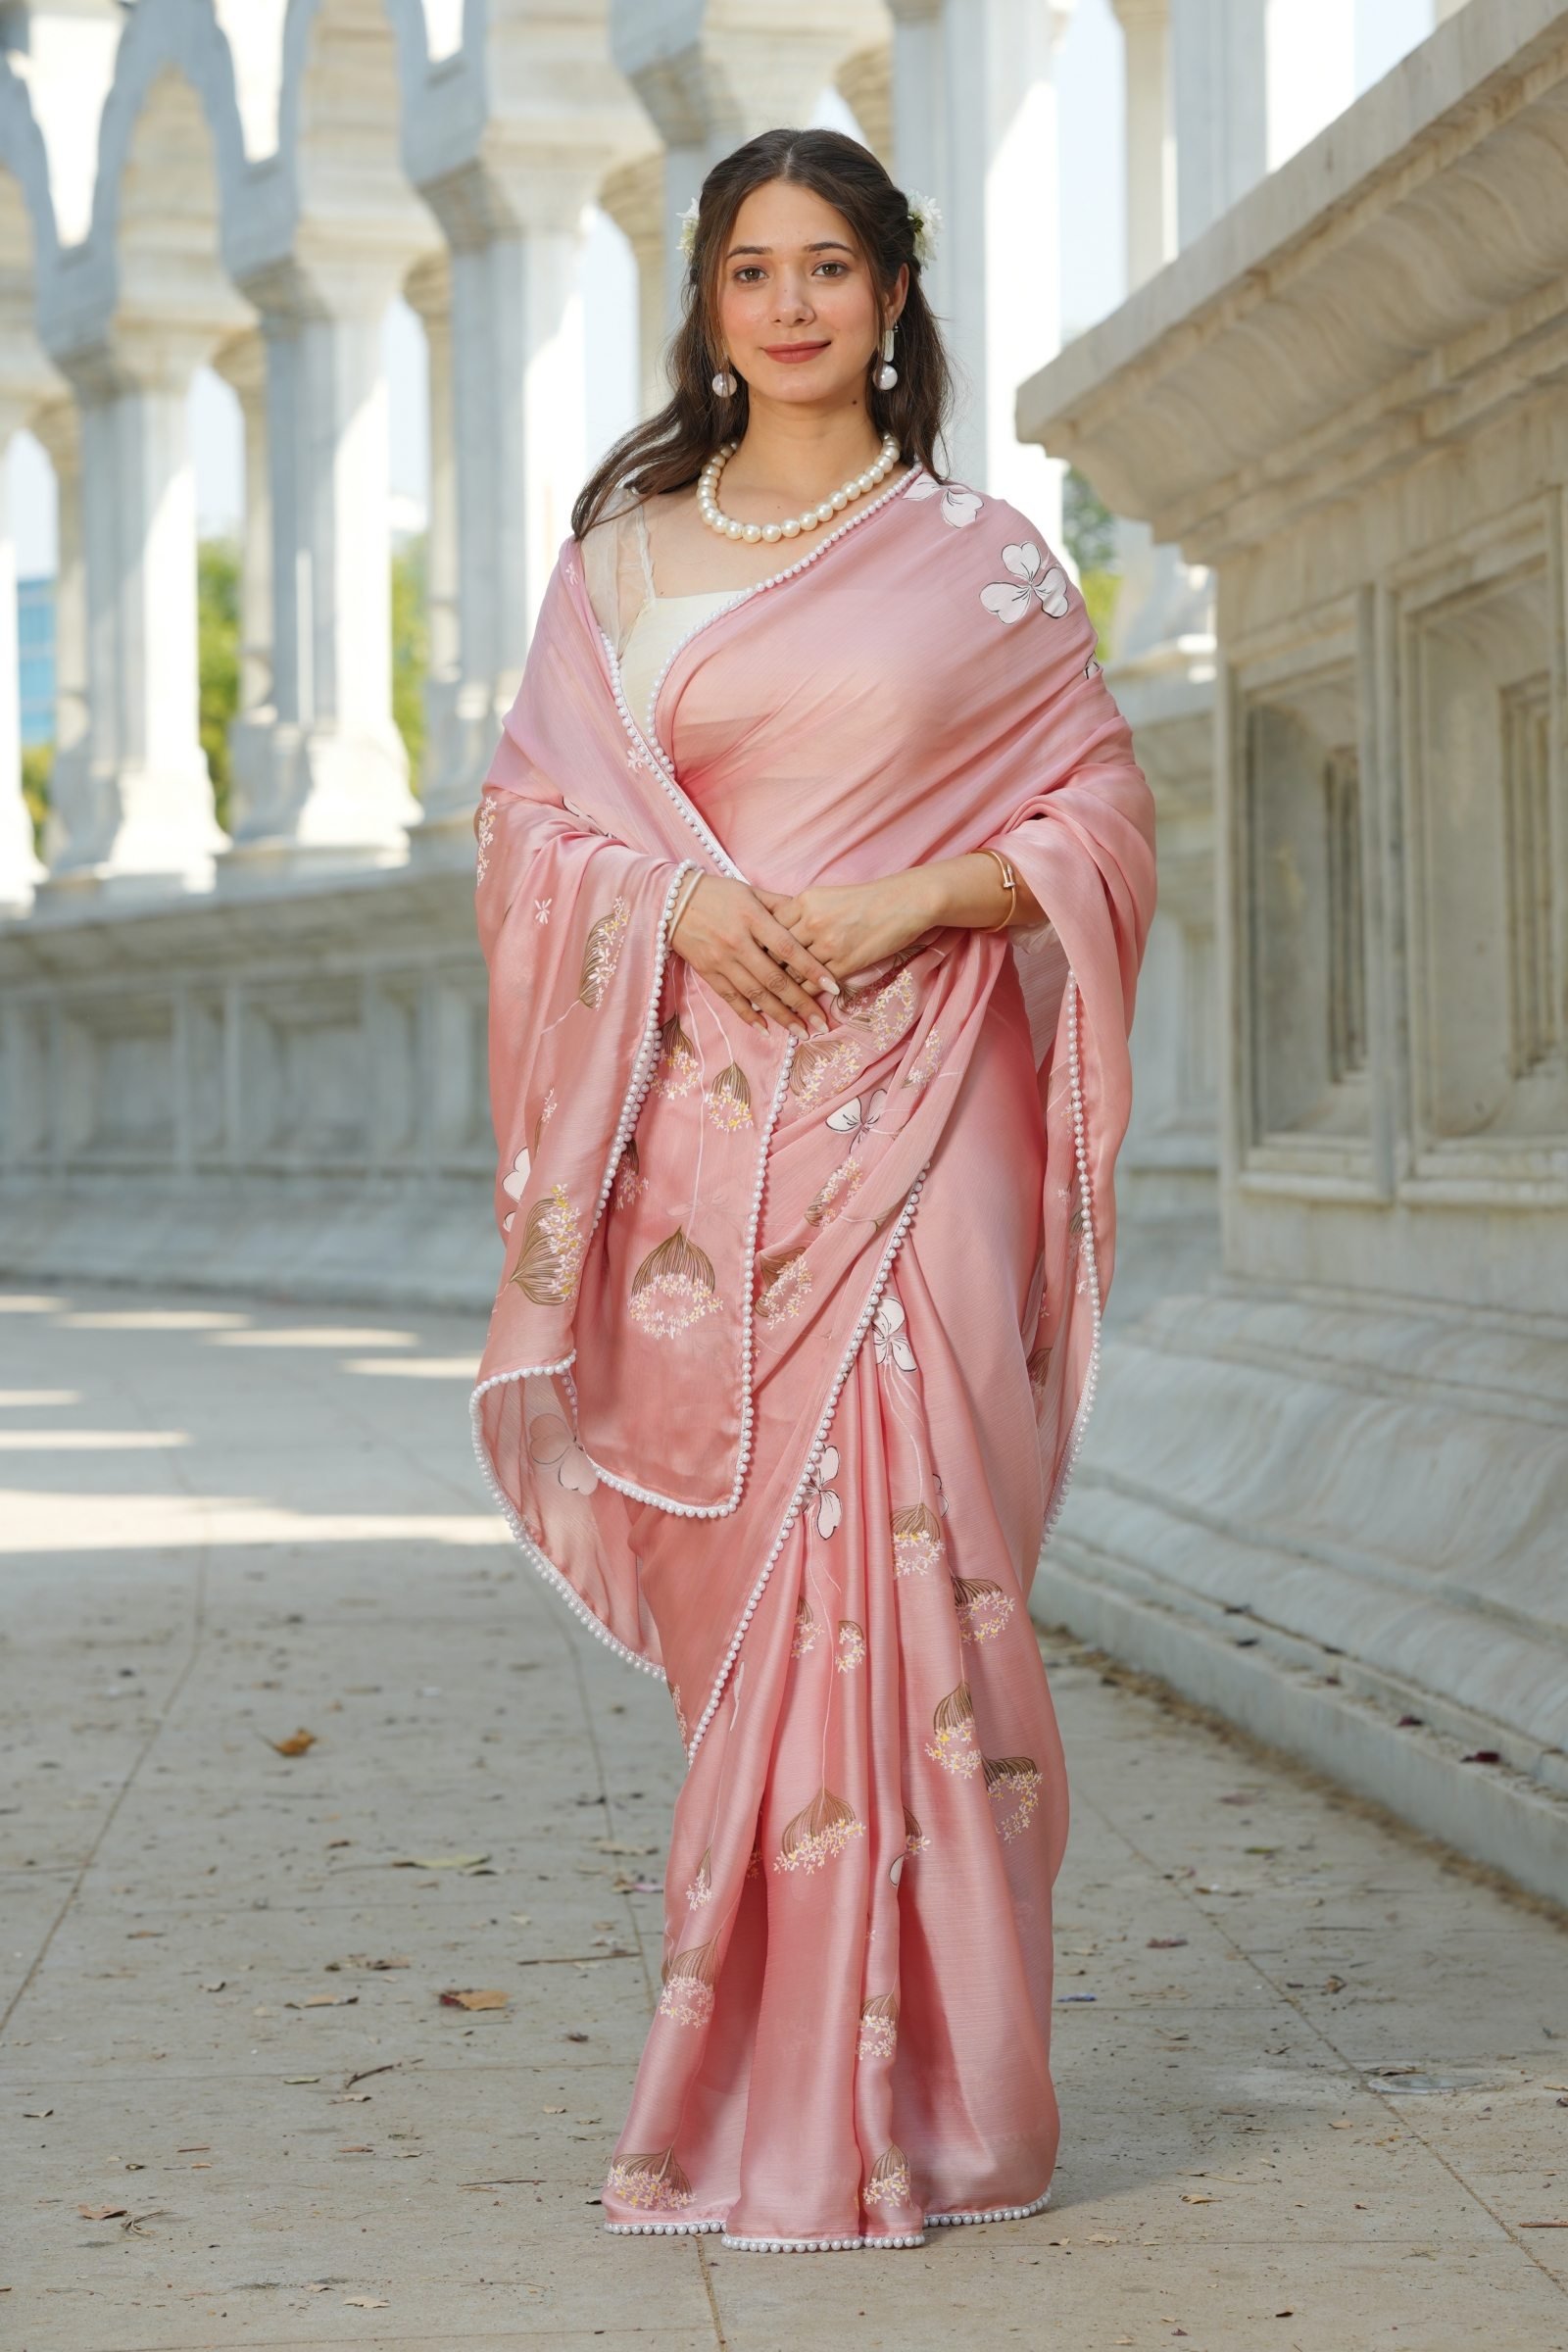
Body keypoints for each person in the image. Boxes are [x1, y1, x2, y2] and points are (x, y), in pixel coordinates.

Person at [469, 125, 1156, 2254]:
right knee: (763, 1602)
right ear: (703, 302)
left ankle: (942, 2100)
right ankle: (752, 2083)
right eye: (748, 269)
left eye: (828, 267)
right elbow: (521, 833)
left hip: (926, 1096)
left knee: (926, 1563)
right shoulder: (625, 565)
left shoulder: (981, 560)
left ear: (890, 296)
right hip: (705, 1143)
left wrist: (911, 907)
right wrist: (669, 910)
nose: (786, 305)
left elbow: (1099, 812)